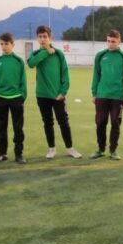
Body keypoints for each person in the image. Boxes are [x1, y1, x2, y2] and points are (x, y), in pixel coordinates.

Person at [27, 25, 82, 159]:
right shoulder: (36, 54)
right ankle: (51, 149)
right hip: (42, 95)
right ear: (37, 38)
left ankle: (70, 148)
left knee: (63, 122)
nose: (42, 39)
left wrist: (63, 92)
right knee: (47, 122)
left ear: (50, 37)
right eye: (40, 37)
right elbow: (30, 64)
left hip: (58, 96)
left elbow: (65, 74)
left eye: (45, 36)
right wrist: (46, 52)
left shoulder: (58, 54)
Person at [90, 29, 123, 160]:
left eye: (113, 41)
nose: (110, 44)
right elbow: (96, 75)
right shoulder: (100, 56)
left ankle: (113, 150)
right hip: (102, 95)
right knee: (100, 122)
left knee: (115, 123)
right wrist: (94, 93)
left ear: (119, 41)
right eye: (108, 41)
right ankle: (100, 149)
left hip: (117, 97)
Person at [0, 32, 27, 164]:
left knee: (18, 128)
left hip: (16, 98)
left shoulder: (18, 61)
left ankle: (19, 154)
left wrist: (22, 95)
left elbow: (23, 81)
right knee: (1, 127)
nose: (4, 46)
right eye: (1, 44)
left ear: (12, 44)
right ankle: (2, 153)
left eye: (6, 44)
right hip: (0, 98)